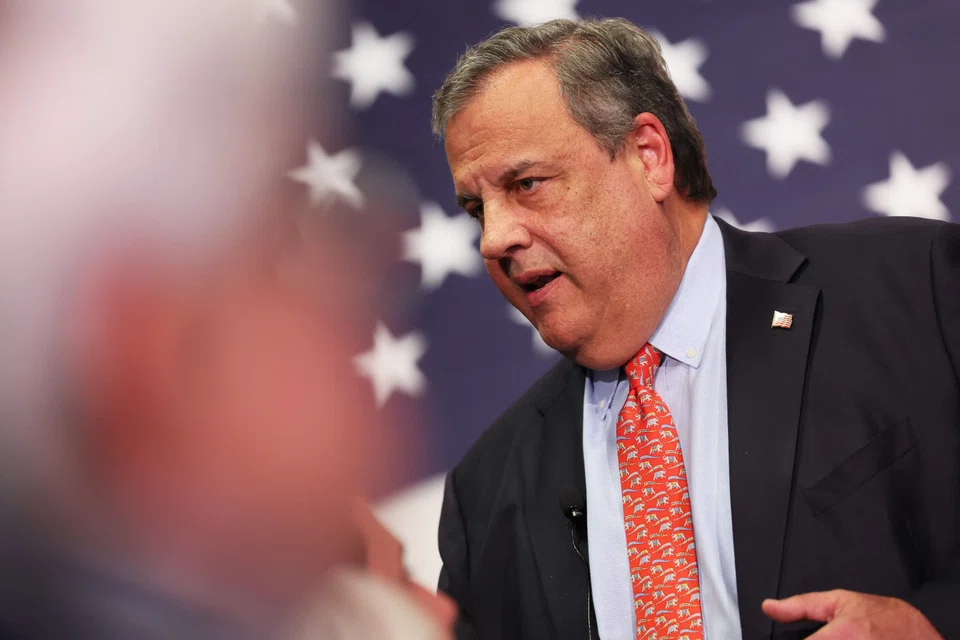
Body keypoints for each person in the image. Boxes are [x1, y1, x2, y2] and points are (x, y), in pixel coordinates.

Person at [431, 17, 959, 640]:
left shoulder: (917, 288)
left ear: (648, 156)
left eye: (526, 184)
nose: (494, 239)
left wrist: (928, 624)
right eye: (476, 209)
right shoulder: (487, 492)